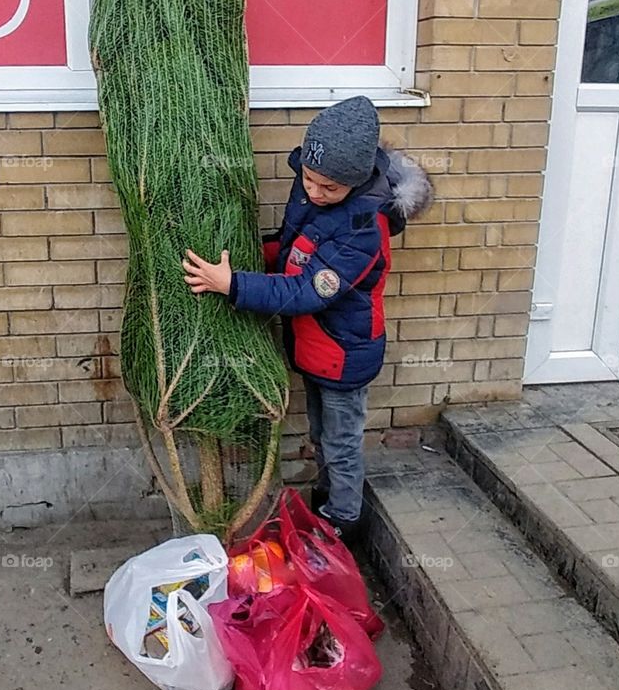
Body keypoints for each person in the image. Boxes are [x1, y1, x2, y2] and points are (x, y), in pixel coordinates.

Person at [183, 95, 432, 542]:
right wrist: (247, 255)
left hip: (342, 356)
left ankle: (344, 524)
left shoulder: (362, 230)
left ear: (355, 184)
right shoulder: (315, 189)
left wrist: (234, 285)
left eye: (328, 189)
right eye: (309, 181)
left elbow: (306, 290)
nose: (314, 193)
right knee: (321, 435)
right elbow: (294, 245)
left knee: (341, 443)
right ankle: (327, 507)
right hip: (316, 350)